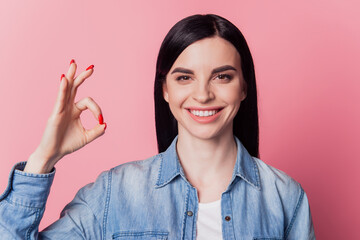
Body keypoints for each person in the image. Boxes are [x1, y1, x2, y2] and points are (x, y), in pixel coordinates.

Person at [0, 14, 315, 239]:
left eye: (222, 76)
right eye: (184, 77)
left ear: (244, 87)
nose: (203, 94)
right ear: (165, 89)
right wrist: (44, 158)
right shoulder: (113, 193)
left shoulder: (285, 198)